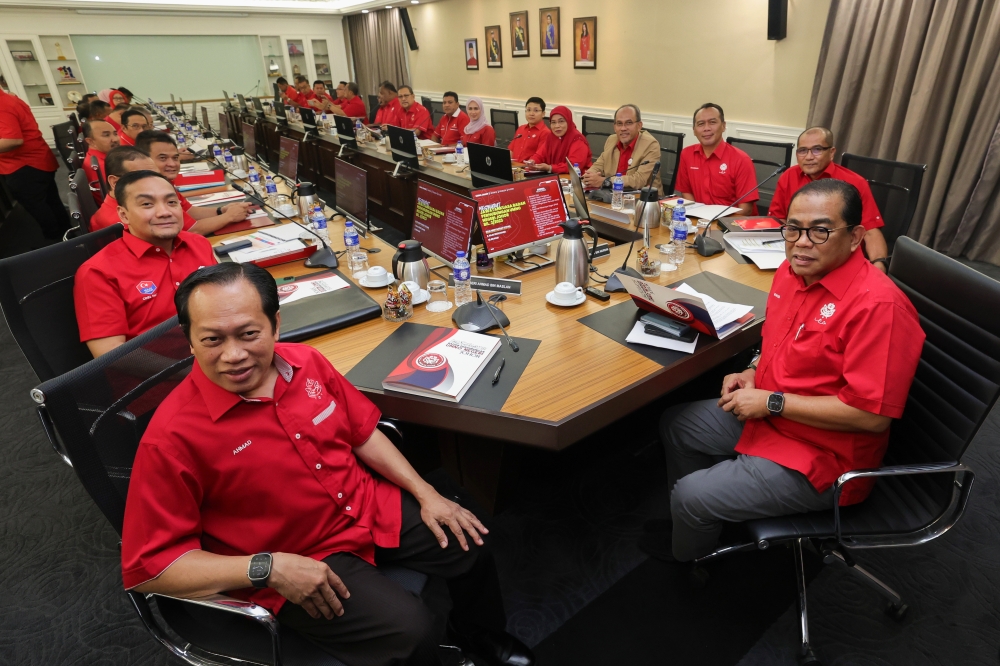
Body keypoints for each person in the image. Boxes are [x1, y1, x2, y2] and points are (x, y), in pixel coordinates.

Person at [121, 262, 535, 666]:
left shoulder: (306, 363)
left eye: (249, 334)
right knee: (413, 632)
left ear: (275, 326)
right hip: (296, 555)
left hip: (363, 503)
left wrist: (426, 492)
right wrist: (267, 567)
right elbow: (149, 570)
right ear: (188, 339)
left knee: (470, 542)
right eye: (212, 340)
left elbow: (362, 432)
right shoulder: (171, 438)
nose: (233, 355)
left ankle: (478, 636)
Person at [639, 179, 924, 564]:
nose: (801, 241)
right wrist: (754, 371)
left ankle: (693, 558)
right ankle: (708, 519)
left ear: (856, 237)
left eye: (820, 230)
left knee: (690, 496)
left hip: (825, 458)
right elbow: (781, 343)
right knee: (678, 424)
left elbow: (871, 417)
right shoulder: (792, 274)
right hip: (772, 415)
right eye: (792, 228)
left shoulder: (880, 307)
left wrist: (771, 402)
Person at [73, 170, 216, 358]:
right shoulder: (98, 272)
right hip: (162, 375)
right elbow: (110, 355)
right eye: (147, 204)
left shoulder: (199, 244)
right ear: (123, 215)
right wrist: (193, 371)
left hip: (218, 354)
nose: (165, 212)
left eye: (172, 202)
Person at [769, 127, 890, 272]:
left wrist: (879, 265)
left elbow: (870, 231)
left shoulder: (855, 182)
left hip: (837, 261)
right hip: (797, 257)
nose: (808, 157)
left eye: (817, 150)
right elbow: (778, 221)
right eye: (802, 151)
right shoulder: (789, 176)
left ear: (831, 153)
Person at [135, 130, 250, 236]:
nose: (173, 164)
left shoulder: (163, 181)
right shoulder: (151, 188)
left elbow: (189, 211)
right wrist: (229, 216)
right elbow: (192, 230)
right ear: (144, 160)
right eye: (163, 158)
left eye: (175, 158)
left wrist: (221, 210)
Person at [0, 87, 71, 240]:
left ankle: (57, 242)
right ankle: (67, 236)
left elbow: (13, 140)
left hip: (25, 165)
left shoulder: (2, 104)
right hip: (34, 161)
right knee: (50, 202)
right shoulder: (8, 98)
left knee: (40, 206)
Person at [675, 103, 758, 215]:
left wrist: (712, 223)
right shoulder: (687, 154)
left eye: (712, 122)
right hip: (699, 222)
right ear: (694, 130)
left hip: (731, 226)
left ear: (723, 126)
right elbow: (686, 191)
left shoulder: (741, 159)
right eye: (701, 124)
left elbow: (746, 209)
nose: (706, 128)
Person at [582, 104, 661, 192]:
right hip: (612, 195)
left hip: (643, 199)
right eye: (619, 123)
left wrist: (604, 181)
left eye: (628, 123)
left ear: (639, 125)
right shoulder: (611, 140)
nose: (623, 128)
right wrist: (590, 176)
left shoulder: (650, 145)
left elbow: (639, 180)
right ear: (615, 127)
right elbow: (599, 165)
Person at [89, 146, 158, 231]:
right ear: (115, 182)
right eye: (142, 177)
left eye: (156, 176)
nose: (155, 183)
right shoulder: (124, 224)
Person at [525, 106, 591, 174]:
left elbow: (573, 166)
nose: (557, 126)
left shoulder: (577, 139)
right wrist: (532, 161)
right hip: (556, 177)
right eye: (553, 122)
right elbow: (540, 154)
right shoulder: (551, 137)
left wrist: (550, 168)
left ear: (568, 121)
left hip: (578, 179)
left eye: (561, 121)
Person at [83, 119, 120, 203]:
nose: (115, 139)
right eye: (106, 135)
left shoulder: (96, 157)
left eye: (115, 133)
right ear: (90, 141)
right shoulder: (103, 165)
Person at [506, 97, 551, 162]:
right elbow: (511, 151)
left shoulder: (545, 133)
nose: (531, 114)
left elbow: (540, 157)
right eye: (528, 110)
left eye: (536, 110)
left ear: (543, 114)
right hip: (514, 167)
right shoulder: (521, 128)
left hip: (528, 169)